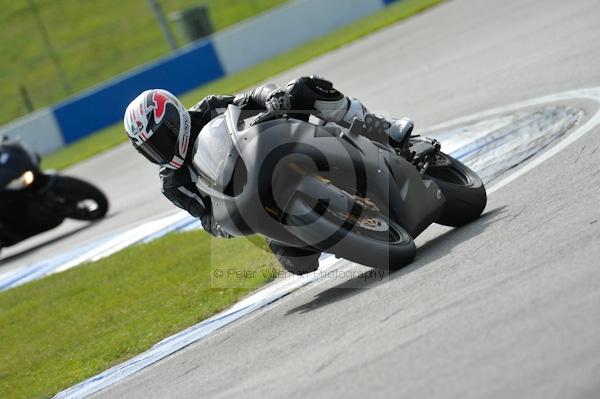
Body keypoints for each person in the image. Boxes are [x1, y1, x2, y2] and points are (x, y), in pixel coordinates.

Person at [123, 76, 414, 275]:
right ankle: (341, 226)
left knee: (302, 89)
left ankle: (385, 130)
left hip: (267, 145)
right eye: (151, 148)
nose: (160, 150)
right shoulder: (172, 183)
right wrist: (226, 224)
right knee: (299, 264)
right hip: (256, 199)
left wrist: (271, 97)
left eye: (162, 138)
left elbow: (249, 98)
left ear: (175, 117)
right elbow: (207, 219)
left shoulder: (207, 108)